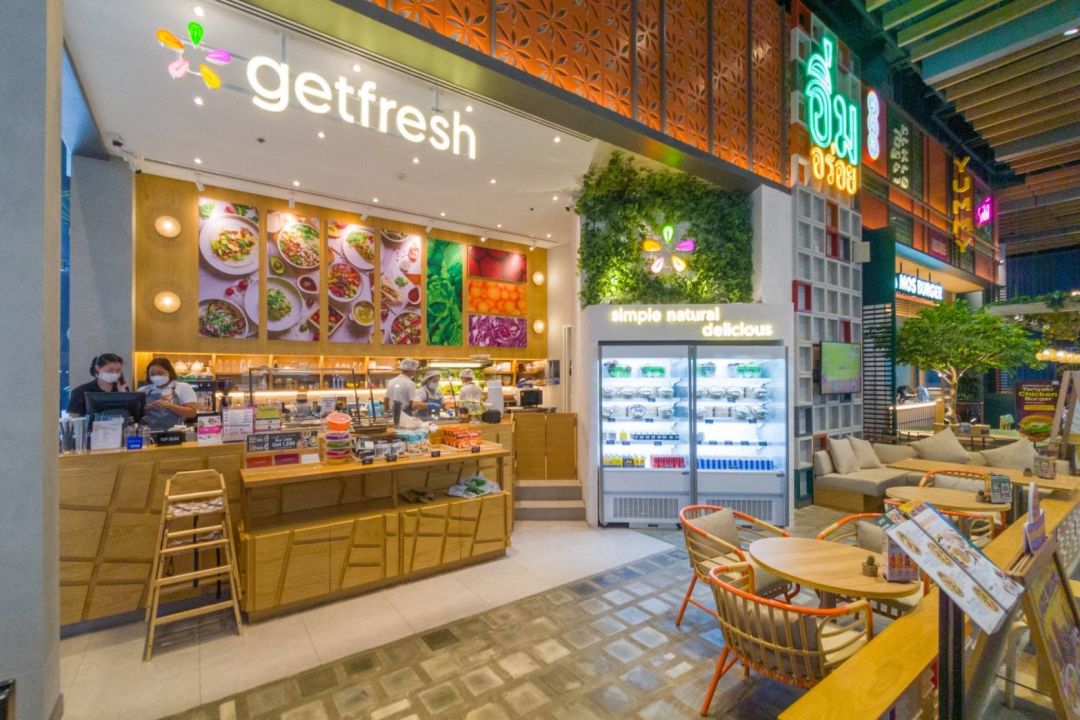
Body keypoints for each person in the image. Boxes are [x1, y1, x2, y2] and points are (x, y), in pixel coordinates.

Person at [137, 357, 199, 430]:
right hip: (148, 433)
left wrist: (169, 406)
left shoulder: (183, 387)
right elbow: (134, 415)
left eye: (160, 373)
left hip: (175, 432)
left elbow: (192, 413)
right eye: (152, 374)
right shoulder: (142, 391)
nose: (156, 376)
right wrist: (145, 407)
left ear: (169, 372)